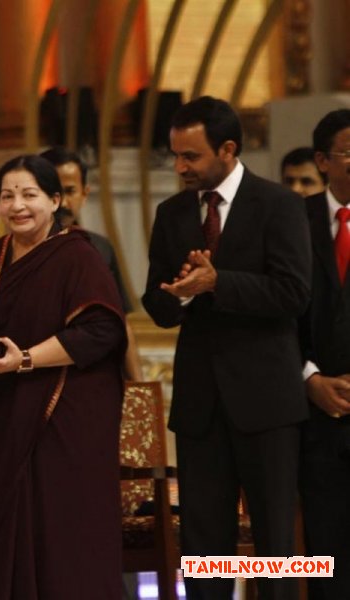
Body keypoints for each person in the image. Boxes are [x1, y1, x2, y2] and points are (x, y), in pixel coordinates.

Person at [143, 96, 311, 600]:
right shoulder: (171, 212)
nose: (180, 167)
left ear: (228, 149)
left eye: (190, 156)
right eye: (175, 155)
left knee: (275, 543)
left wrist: (219, 283)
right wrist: (177, 295)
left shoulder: (278, 204)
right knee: (204, 545)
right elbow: (156, 301)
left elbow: (294, 293)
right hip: (200, 404)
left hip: (267, 402)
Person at [0, 155, 126, 599]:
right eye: (7, 196)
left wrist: (25, 359)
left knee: (59, 542)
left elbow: (101, 331)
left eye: (29, 195)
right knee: (5, 544)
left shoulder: (79, 257)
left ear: (55, 200)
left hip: (58, 422)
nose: (17, 206)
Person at [298, 109, 350, 600]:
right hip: (313, 418)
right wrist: (309, 378)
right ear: (323, 160)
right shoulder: (293, 220)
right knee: (326, 561)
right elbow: (275, 315)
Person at [40, 147, 143, 380]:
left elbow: (120, 322)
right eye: (53, 191)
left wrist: (140, 387)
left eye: (70, 191)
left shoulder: (101, 248)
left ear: (85, 194)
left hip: (95, 378)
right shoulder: (14, 250)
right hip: (35, 373)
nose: (63, 201)